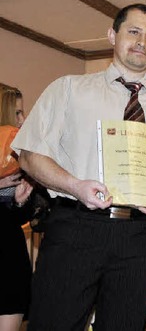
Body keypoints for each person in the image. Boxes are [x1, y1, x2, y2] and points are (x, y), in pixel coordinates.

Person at [12, 3, 146, 331]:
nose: (141, 42)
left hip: (140, 236)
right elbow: (30, 154)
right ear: (112, 35)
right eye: (133, 32)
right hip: (75, 226)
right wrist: (76, 186)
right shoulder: (68, 89)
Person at [0, 83, 34, 331]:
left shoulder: (18, 156)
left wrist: (19, 200)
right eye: (18, 113)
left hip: (9, 260)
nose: (23, 119)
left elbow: (19, 218)